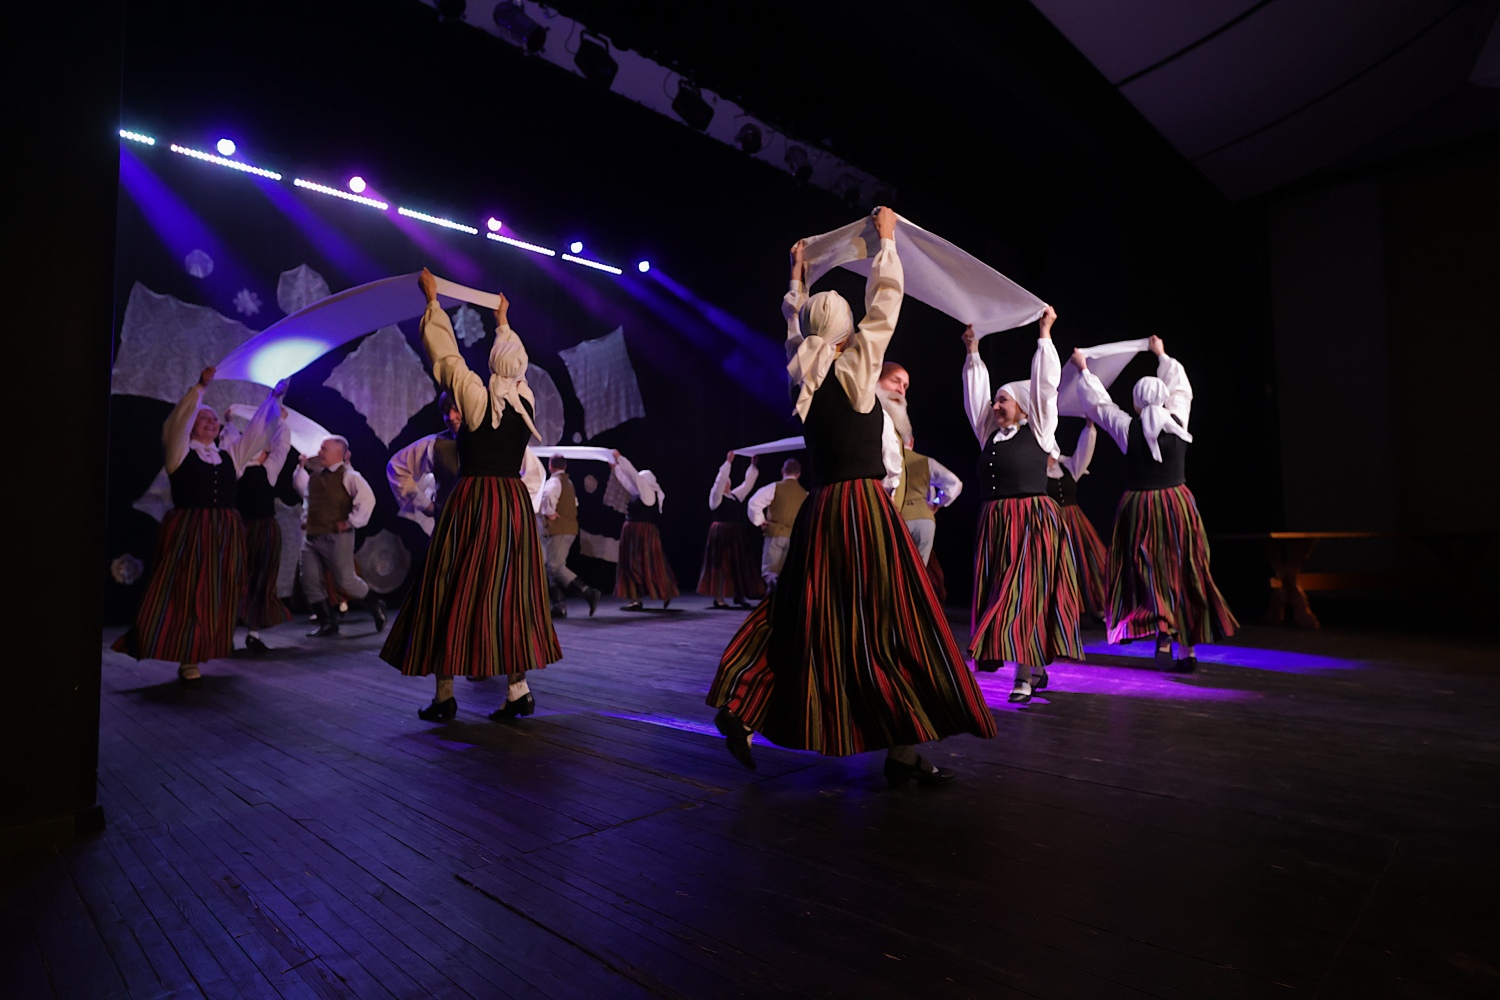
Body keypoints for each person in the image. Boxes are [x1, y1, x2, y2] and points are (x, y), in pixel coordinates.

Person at [708, 207, 996, 786]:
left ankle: (743, 704)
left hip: (820, 510)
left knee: (802, 612)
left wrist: (797, 277)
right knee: (893, 618)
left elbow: (796, 328)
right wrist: (886, 245)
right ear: (844, 332)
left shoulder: (804, 373)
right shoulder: (853, 368)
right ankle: (903, 750)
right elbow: (884, 306)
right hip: (861, 509)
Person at [381, 269, 561, 720]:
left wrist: (433, 302)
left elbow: (446, 357)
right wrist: (502, 322)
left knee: (450, 585)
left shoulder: (478, 399)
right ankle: (517, 690)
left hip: (477, 500)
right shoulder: (527, 400)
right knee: (509, 591)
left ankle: (445, 696)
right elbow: (508, 361)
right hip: (512, 504)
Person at [1071, 337, 1237, 670]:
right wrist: (1161, 355)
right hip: (1176, 503)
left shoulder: (1127, 427)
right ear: (1164, 398)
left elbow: (1101, 406)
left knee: (1148, 572)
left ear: (1135, 404)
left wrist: (1084, 370)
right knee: (1182, 569)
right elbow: (1181, 387)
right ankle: (1186, 648)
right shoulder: (1179, 420)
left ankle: (1162, 633)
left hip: (1140, 507)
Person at [113, 367, 276, 683]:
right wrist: (200, 388)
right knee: (187, 589)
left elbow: (257, 433)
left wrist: (273, 399)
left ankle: (205, 646)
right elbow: (177, 423)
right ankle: (186, 656)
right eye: (203, 418)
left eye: (214, 419)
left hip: (225, 531)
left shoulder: (229, 456)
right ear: (191, 425)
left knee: (217, 590)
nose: (211, 422)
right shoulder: (179, 452)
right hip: (190, 528)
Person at [962, 309, 1085, 703]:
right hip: (997, 522)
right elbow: (975, 398)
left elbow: (1044, 386)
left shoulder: (1040, 430)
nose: (996, 406)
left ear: (1023, 407)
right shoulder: (989, 434)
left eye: (1004, 400)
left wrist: (1044, 334)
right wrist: (973, 353)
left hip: (1033, 520)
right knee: (1005, 592)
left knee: (1025, 592)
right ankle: (1035, 667)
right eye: (995, 400)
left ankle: (1023, 675)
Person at [294, 436, 385, 637]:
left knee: (345, 580)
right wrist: (307, 518)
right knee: (309, 580)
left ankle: (375, 604)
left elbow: (367, 500)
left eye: (324, 449)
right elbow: (307, 496)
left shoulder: (349, 476)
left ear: (338, 454)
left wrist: (351, 522)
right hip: (312, 536)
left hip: (336, 537)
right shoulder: (316, 475)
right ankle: (327, 622)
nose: (320, 452)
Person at [877, 362, 963, 565]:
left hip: (898, 516)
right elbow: (954, 484)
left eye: (905, 386)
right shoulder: (925, 461)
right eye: (895, 381)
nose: (901, 390)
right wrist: (936, 502)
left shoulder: (892, 432)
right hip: (917, 518)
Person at [236, 381, 293, 653]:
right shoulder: (236, 464)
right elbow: (250, 435)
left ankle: (253, 631)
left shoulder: (269, 468)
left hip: (265, 528)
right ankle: (225, 630)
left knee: (262, 577)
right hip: (240, 527)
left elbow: (281, 443)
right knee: (237, 576)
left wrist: (279, 417)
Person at [1047, 422, 1108, 619]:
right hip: (1050, 521)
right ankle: (1059, 607)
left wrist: (1089, 428)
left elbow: (1084, 452)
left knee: (1087, 560)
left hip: (1073, 521)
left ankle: (1098, 604)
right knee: (1056, 565)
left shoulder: (1068, 466)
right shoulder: (1036, 470)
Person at [386, 391, 463, 537]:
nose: (451, 417)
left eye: (456, 410)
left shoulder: (492, 441)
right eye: (446, 412)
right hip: (449, 528)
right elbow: (397, 467)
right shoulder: (436, 445)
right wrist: (426, 505)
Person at [610, 451, 678, 611]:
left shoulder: (649, 494)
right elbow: (627, 482)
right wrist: (616, 468)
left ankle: (664, 592)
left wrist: (620, 458)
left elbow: (634, 476)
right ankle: (636, 599)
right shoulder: (639, 493)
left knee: (649, 564)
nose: (639, 482)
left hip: (642, 532)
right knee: (632, 564)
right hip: (633, 532)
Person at [536, 455, 602, 617]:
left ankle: (588, 592)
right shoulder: (568, 483)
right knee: (550, 567)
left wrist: (549, 512)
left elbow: (547, 497)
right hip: (566, 529)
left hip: (560, 529)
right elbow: (575, 503)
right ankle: (559, 606)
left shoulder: (554, 482)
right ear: (564, 466)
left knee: (554, 566)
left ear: (550, 466)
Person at [697, 451, 764, 609]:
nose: (727, 484)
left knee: (738, 564)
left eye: (728, 482)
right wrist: (728, 463)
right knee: (722, 564)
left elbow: (747, 485)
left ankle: (738, 595)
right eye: (726, 482)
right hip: (721, 534)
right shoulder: (716, 498)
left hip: (735, 534)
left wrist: (753, 466)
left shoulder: (734, 496)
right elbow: (719, 483)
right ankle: (719, 598)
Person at [746, 458, 807, 591]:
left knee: (770, 572)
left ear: (782, 471)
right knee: (787, 572)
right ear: (799, 474)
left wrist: (760, 521)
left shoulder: (775, 487)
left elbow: (754, 503)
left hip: (775, 534)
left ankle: (773, 598)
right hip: (794, 538)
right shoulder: (804, 494)